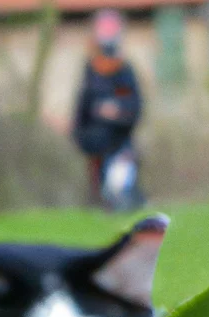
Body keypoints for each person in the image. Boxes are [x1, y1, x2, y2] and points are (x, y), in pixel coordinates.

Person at [72, 10, 144, 209]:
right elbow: (82, 111)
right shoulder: (91, 71)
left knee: (122, 187)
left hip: (120, 143)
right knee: (102, 194)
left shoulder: (124, 72)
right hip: (97, 146)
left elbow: (133, 105)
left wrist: (117, 110)